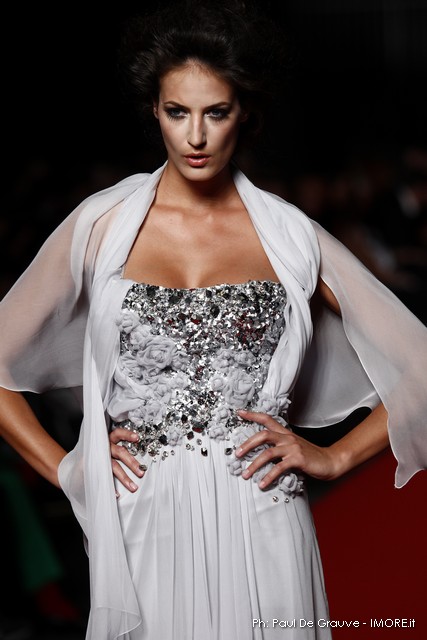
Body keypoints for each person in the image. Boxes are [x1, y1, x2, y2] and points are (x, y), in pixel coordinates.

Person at [0, 2, 426, 639]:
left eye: (216, 112)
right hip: (142, 510)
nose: (195, 136)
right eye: (178, 112)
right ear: (155, 111)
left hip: (262, 506)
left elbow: (420, 365)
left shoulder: (289, 235)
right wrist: (68, 466)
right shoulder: (101, 226)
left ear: (244, 113)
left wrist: (337, 457)